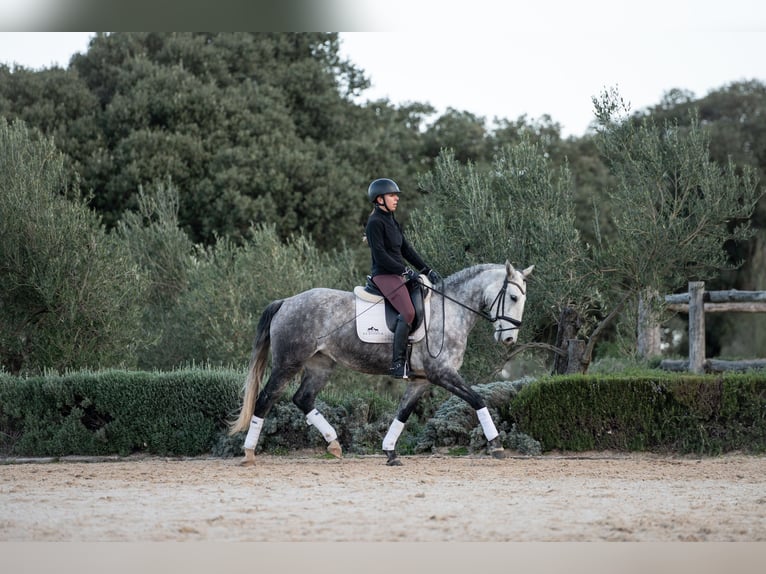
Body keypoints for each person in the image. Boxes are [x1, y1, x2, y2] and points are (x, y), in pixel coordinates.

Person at [364, 178, 441, 378]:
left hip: (398, 273)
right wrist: (405, 271)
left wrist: (426, 269)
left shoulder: (392, 220)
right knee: (407, 312)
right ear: (380, 199)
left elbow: (406, 249)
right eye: (392, 195)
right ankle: (397, 364)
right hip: (384, 274)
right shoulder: (374, 223)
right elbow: (380, 256)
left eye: (396, 195)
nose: (396, 198)